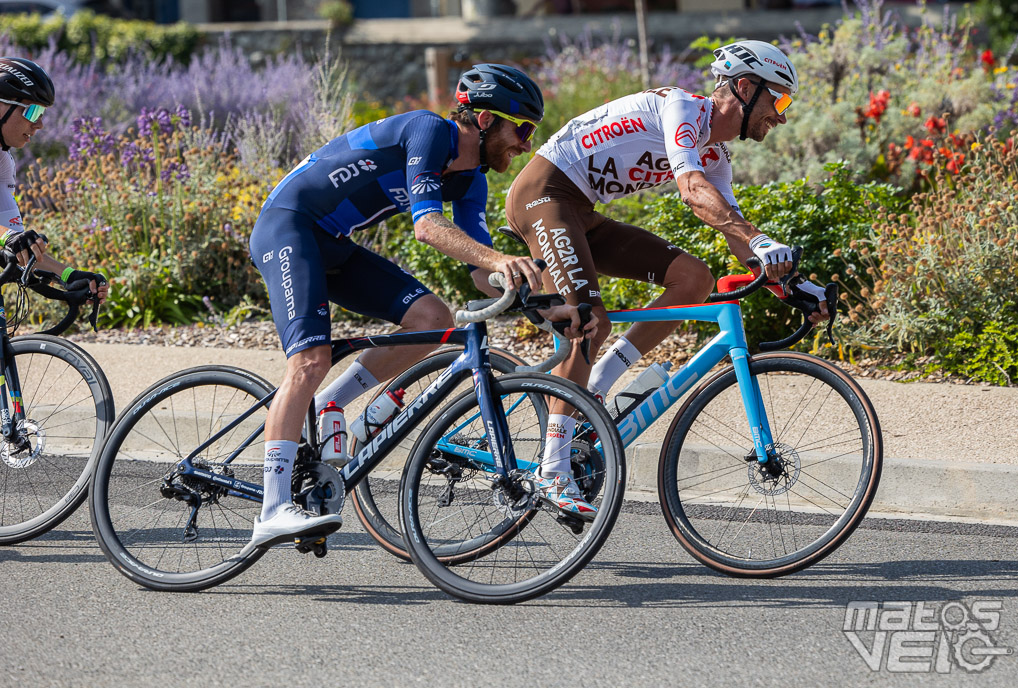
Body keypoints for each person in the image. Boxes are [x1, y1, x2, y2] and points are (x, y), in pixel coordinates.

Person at [247, 63, 596, 548]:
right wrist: (504, 260)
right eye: (522, 129)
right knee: (309, 360)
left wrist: (540, 302)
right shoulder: (430, 131)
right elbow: (428, 227)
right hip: (287, 228)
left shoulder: (471, 179)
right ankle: (272, 508)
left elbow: (480, 269)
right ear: (485, 120)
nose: (524, 144)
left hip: (331, 242)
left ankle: (331, 403)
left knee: (432, 319)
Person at [504, 40, 829, 520]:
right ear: (743, 87)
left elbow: (735, 232)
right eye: (778, 100)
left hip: (581, 213)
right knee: (587, 322)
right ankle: (552, 470)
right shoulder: (682, 109)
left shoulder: (716, 156)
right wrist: (761, 243)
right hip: (544, 195)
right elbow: (693, 192)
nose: (781, 116)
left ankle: (597, 384)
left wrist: (794, 285)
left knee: (694, 278)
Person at [0, 57, 108, 300]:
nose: (39, 124)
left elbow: (18, 247)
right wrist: (6, 236)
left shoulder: (3, 162)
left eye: (42, 113)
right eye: (33, 111)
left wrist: (69, 275)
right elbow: (5, 235)